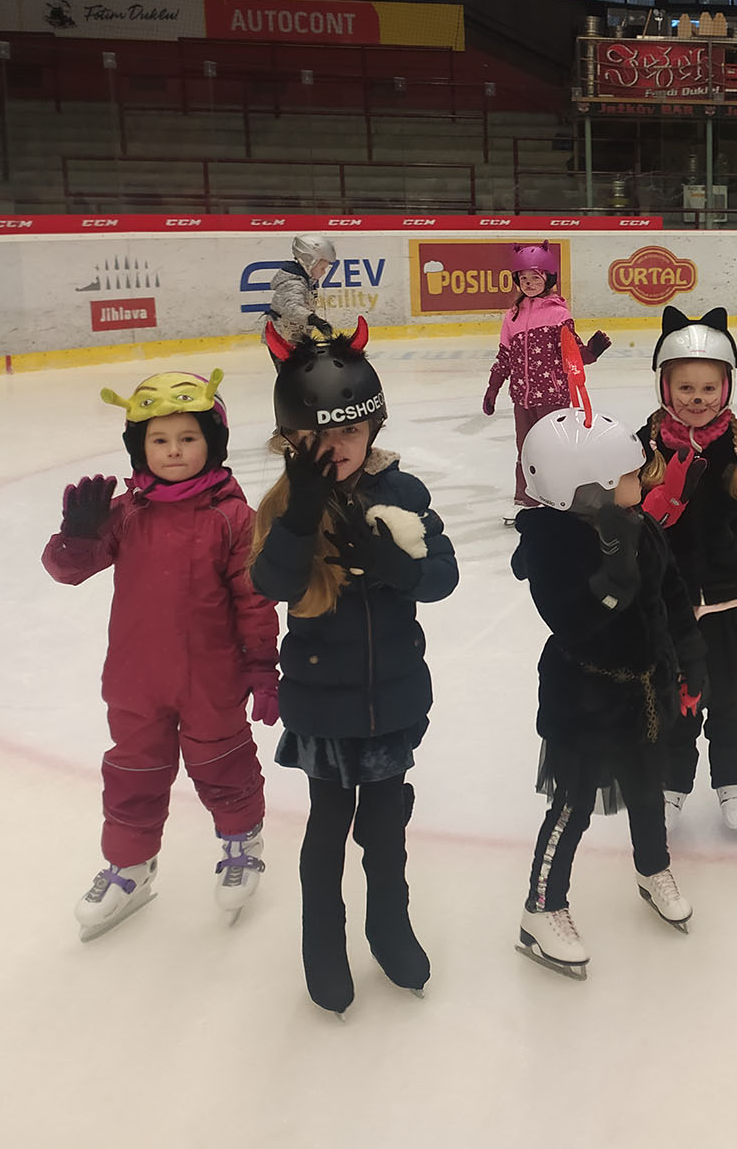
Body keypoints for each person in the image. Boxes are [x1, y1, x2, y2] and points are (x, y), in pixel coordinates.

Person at [250, 320, 459, 1015]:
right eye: (316, 437)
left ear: (373, 428)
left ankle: (389, 928)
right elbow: (272, 584)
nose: (334, 447)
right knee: (328, 828)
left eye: (349, 431)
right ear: (290, 441)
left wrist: (398, 566)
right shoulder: (286, 506)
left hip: (392, 698)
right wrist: (302, 518)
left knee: (386, 831)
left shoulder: (403, 494)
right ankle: (322, 943)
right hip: (323, 704)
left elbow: (443, 578)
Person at [44, 370, 278, 942]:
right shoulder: (126, 512)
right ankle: (129, 867)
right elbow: (68, 571)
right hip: (136, 678)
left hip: (210, 678)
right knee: (132, 772)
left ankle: (241, 843)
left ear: (212, 443)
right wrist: (77, 534)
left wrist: (261, 668)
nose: (174, 450)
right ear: (140, 447)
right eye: (160, 439)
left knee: (222, 764)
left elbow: (253, 600)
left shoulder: (232, 517)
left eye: (188, 438)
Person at [511, 409, 706, 979]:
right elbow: (574, 623)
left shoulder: (640, 527)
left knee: (647, 787)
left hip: (645, 688)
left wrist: (690, 661)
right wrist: (613, 580)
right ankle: (542, 907)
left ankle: (652, 867)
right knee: (572, 804)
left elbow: (672, 598)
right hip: (585, 699)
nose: (642, 478)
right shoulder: (551, 544)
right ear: (588, 484)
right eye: (629, 473)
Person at [635, 307, 737, 838]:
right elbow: (625, 527)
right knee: (676, 706)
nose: (698, 398)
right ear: (665, 388)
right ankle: (672, 786)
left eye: (709, 388)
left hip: (727, 608)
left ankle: (732, 783)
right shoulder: (642, 447)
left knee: (726, 706)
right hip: (668, 611)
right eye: (686, 387)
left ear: (727, 387)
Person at [481, 243, 611, 513]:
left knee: (553, 449)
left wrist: (591, 352)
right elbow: (504, 354)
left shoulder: (558, 314)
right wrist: (493, 387)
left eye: (535, 278)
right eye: (523, 279)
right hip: (522, 398)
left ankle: (560, 495)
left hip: (553, 396)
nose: (528, 283)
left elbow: (571, 354)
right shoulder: (512, 316)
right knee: (526, 449)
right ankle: (526, 498)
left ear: (549, 279)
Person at [267, 232, 335, 343]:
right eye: (322, 268)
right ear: (309, 263)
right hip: (281, 340)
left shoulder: (306, 281)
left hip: (293, 337)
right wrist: (314, 320)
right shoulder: (293, 283)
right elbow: (291, 308)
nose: (324, 273)